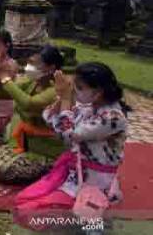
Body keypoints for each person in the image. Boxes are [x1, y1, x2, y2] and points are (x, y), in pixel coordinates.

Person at [14, 62, 129, 222]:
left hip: (95, 182)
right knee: (26, 200)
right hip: (75, 174)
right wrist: (62, 98)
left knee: (36, 214)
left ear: (98, 93)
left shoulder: (113, 118)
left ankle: (95, 224)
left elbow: (70, 134)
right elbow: (49, 116)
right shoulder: (89, 108)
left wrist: (67, 100)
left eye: (80, 88)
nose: (75, 91)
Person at [0, 45, 66, 183]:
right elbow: (2, 94)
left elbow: (28, 104)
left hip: (46, 151)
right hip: (24, 145)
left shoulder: (56, 90)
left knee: (6, 170)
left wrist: (5, 78)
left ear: (51, 68)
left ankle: (50, 170)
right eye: (29, 62)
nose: (29, 67)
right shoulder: (32, 82)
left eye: (35, 64)